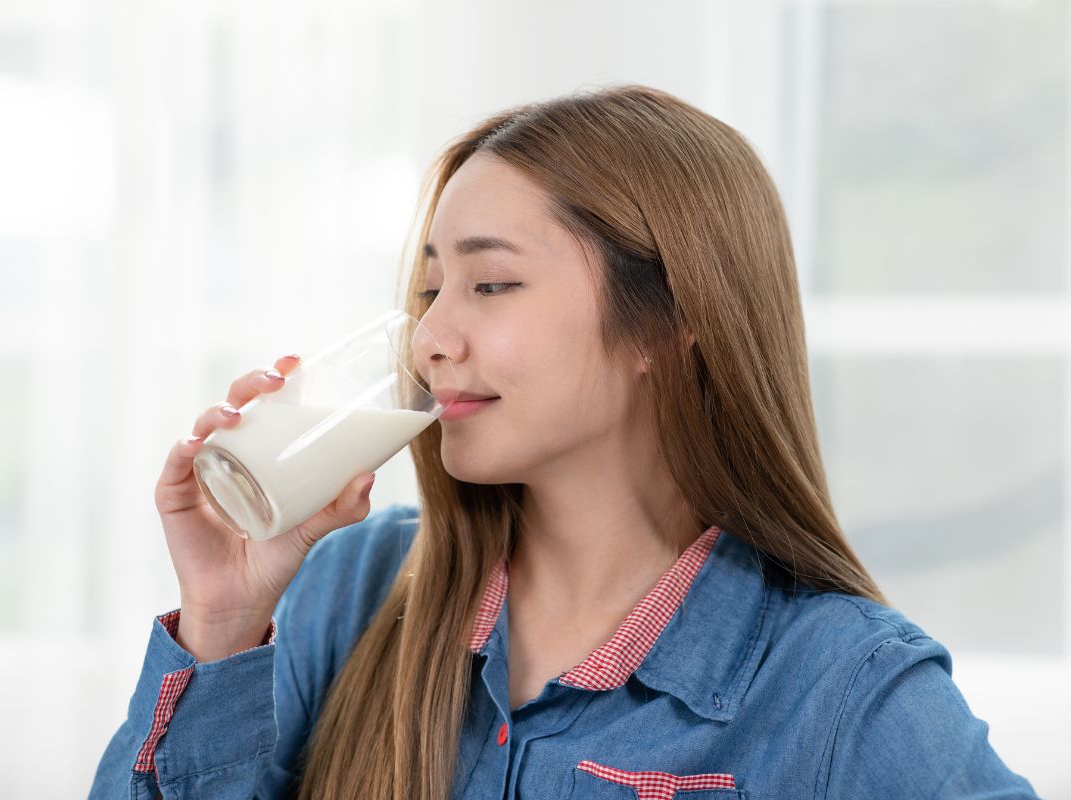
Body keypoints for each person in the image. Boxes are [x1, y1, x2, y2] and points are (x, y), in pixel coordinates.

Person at [89, 84, 1041, 799]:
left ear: (669, 320)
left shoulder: (841, 687)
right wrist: (222, 621)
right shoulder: (346, 589)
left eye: (491, 285)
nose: (430, 338)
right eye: (429, 290)